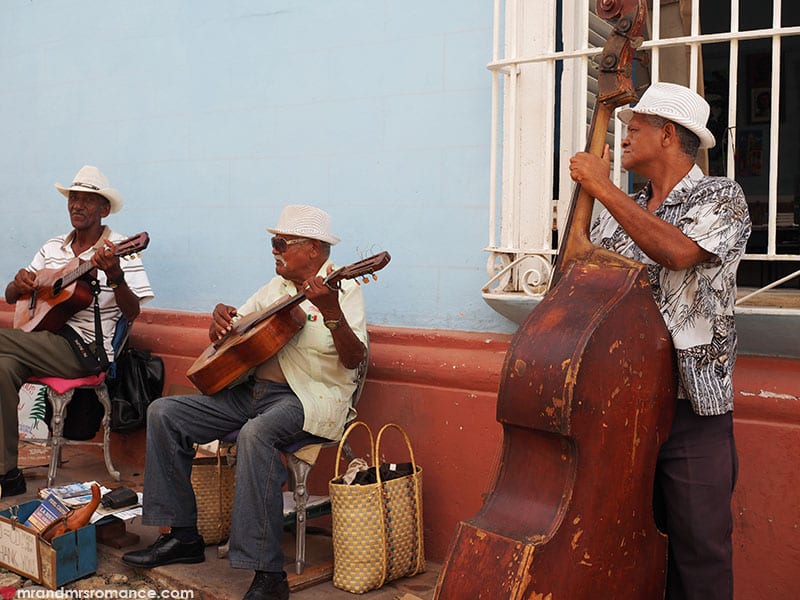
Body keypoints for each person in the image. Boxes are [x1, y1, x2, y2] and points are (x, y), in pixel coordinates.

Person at [122, 205, 368, 600]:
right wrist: (219, 322)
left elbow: (355, 359)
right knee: (164, 412)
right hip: (252, 395)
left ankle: (268, 574)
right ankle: (182, 536)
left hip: (308, 399)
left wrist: (331, 312)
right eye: (274, 242)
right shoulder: (273, 290)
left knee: (257, 435)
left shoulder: (343, 291)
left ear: (314, 250)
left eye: (281, 243)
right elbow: (237, 331)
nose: (274, 250)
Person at [569, 82, 751, 599]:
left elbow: (677, 252)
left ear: (668, 134)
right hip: (621, 408)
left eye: (634, 128)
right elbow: (578, 282)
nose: (623, 139)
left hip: (692, 409)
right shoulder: (622, 212)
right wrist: (591, 203)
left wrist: (602, 187)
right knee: (627, 545)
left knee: (700, 551)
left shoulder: (722, 198)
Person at [1, 165, 153, 497]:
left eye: (87, 200)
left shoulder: (119, 250)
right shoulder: (51, 247)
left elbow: (133, 311)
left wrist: (115, 277)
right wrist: (18, 284)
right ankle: (7, 474)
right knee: (2, 368)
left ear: (104, 209)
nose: (77, 206)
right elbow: (13, 297)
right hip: (37, 339)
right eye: (73, 198)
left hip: (83, 350)